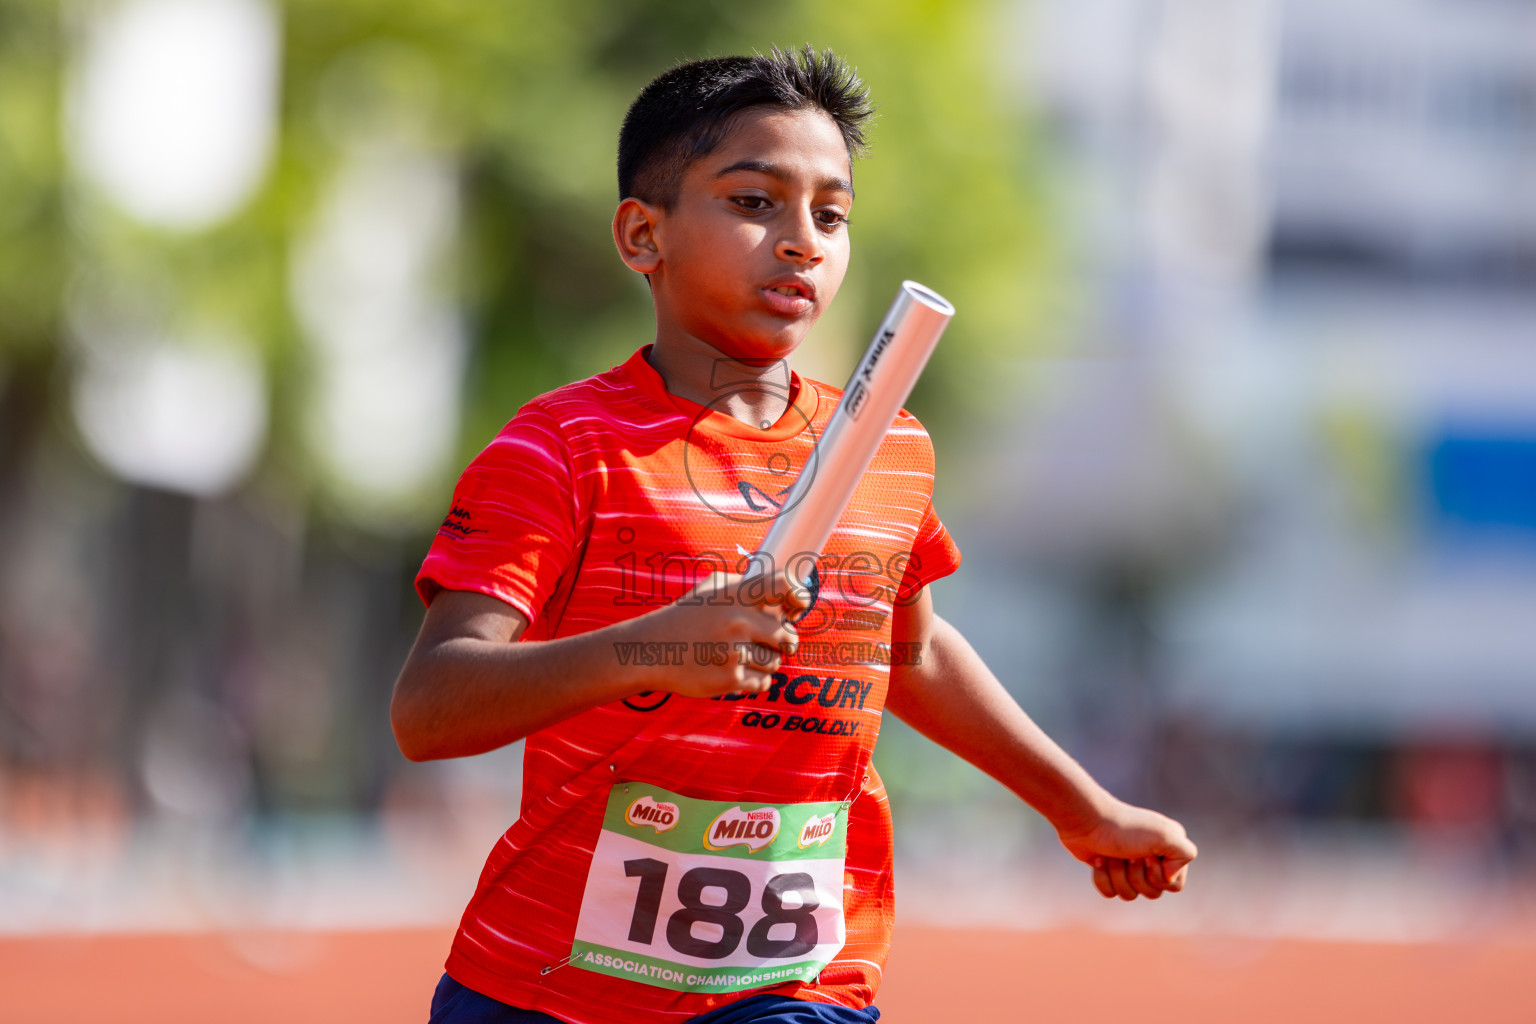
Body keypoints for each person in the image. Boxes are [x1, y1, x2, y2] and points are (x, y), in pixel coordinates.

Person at [392, 46, 1196, 1024]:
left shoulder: (888, 450)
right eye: (755, 202)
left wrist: (1082, 806)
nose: (803, 241)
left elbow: (911, 651)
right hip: (543, 986)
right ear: (643, 234)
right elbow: (430, 708)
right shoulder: (561, 450)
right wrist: (654, 650)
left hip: (794, 980)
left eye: (831, 213)